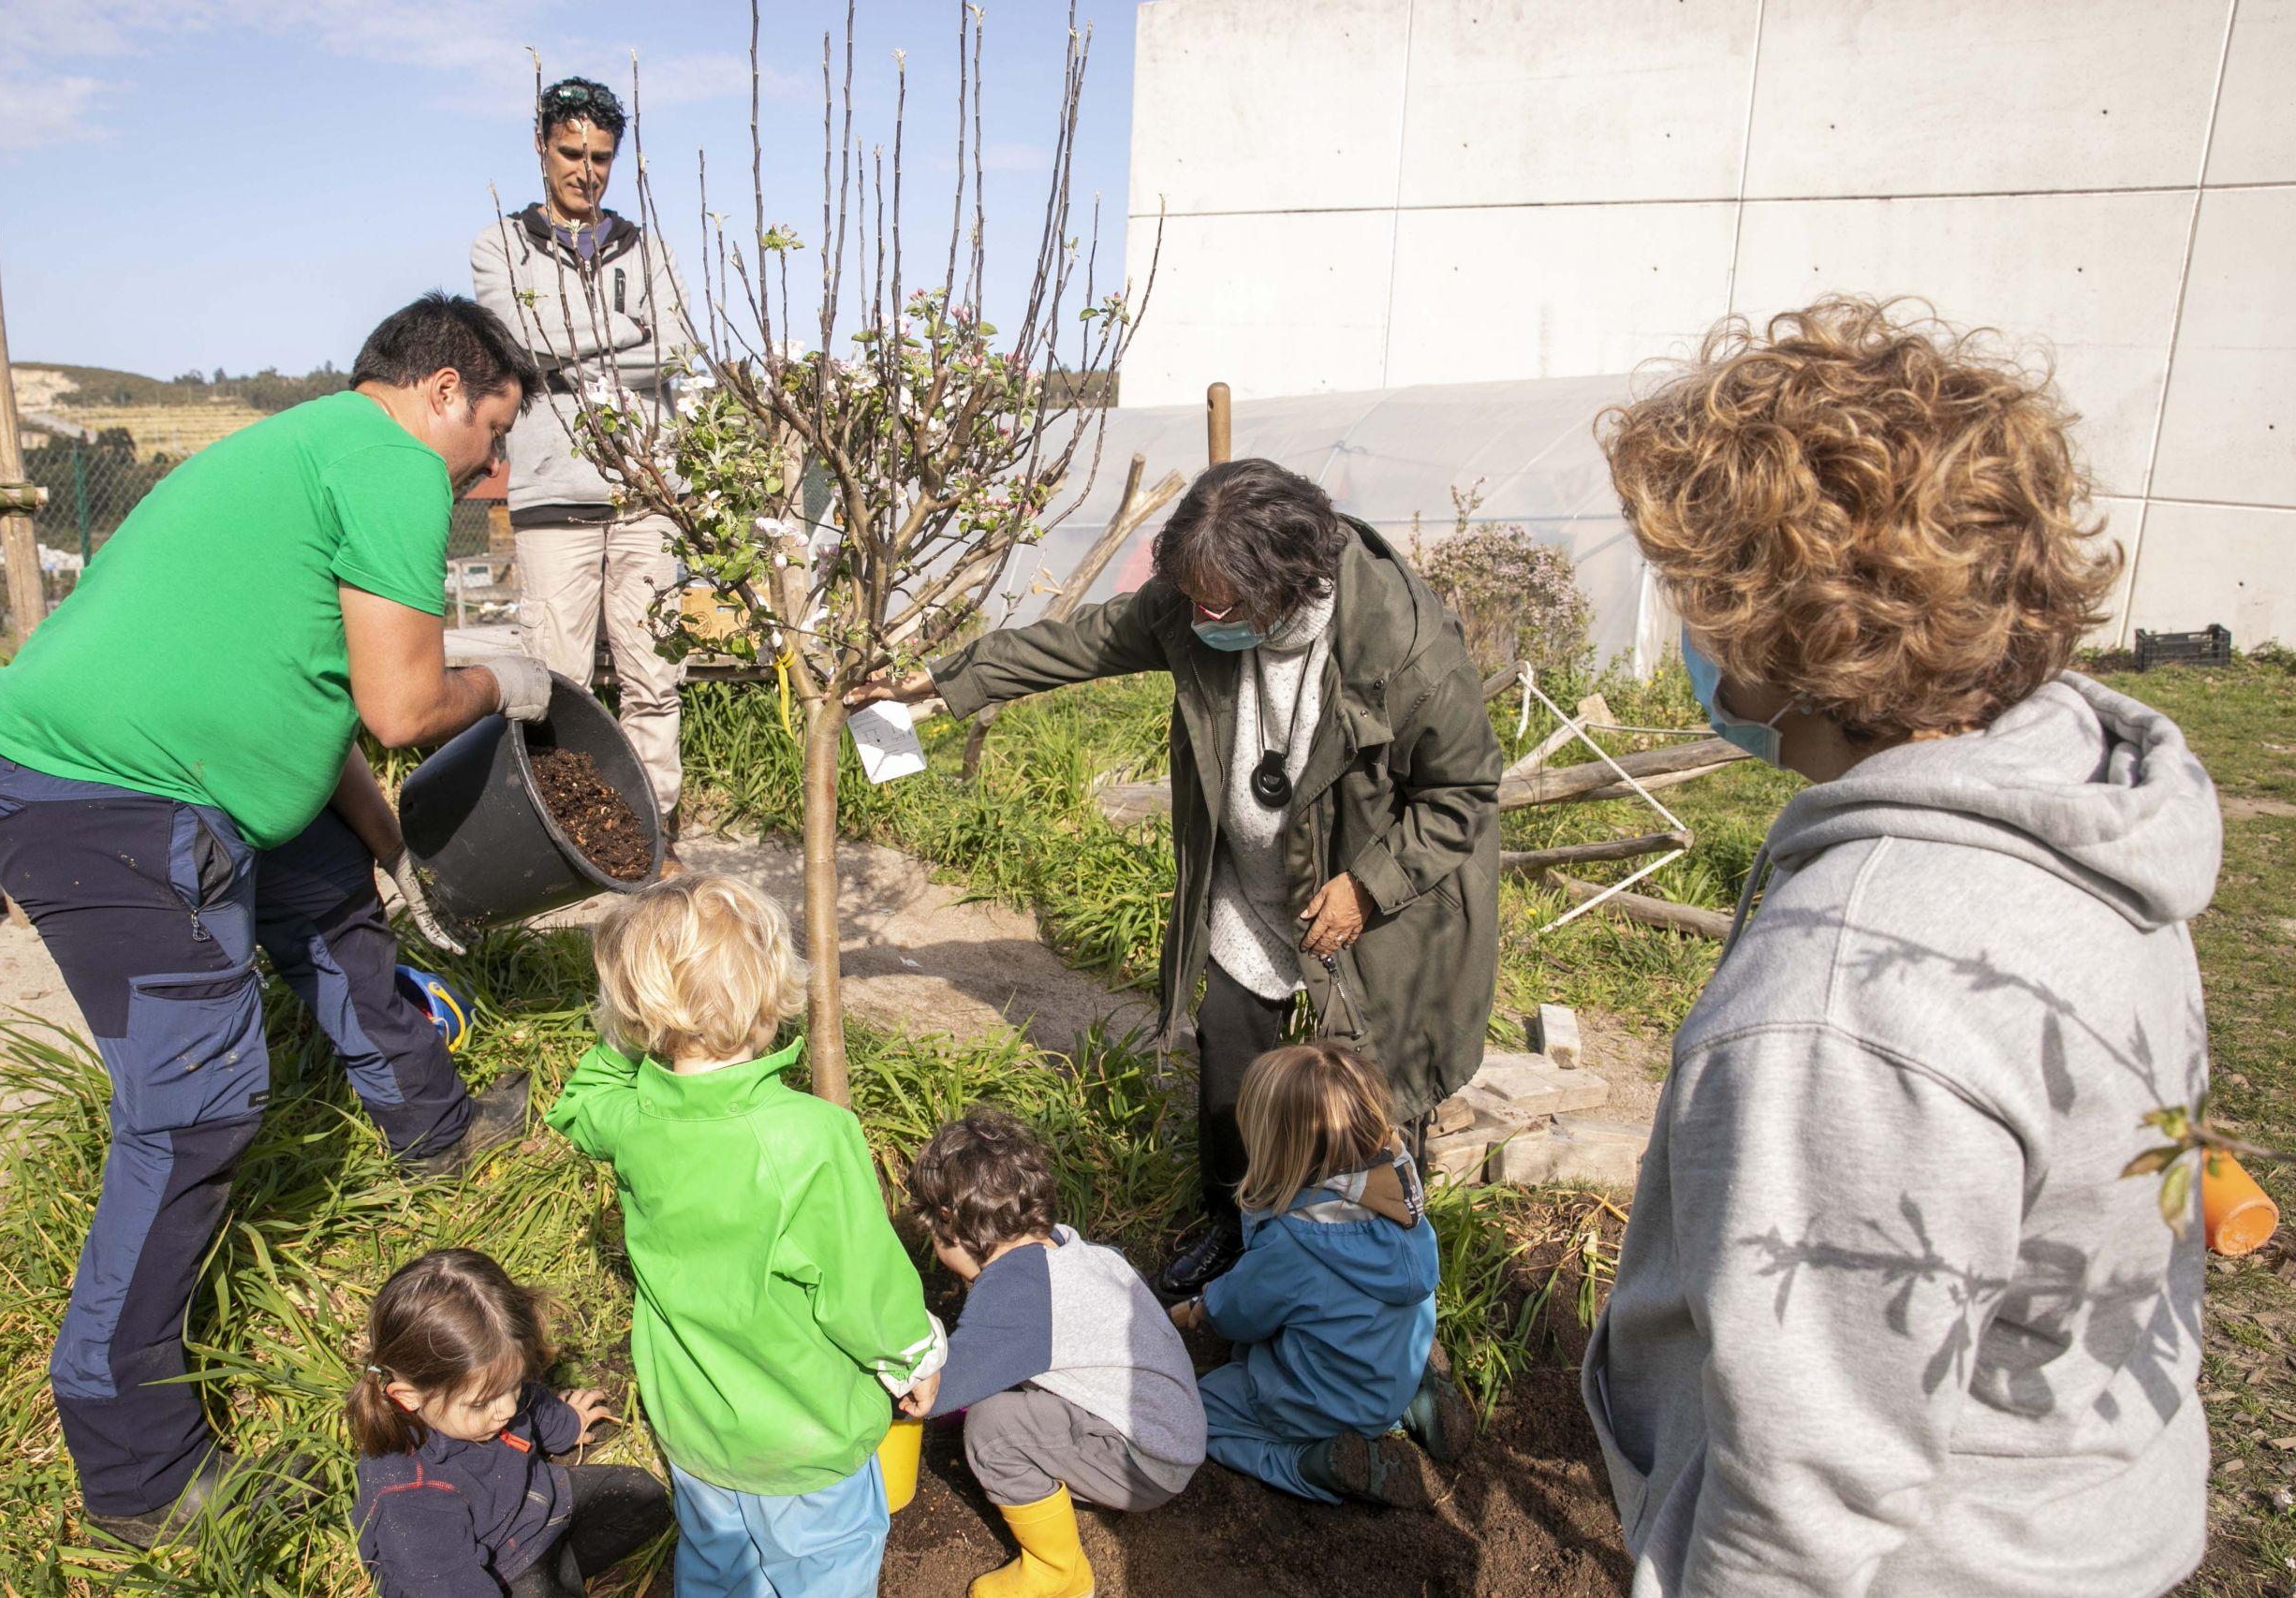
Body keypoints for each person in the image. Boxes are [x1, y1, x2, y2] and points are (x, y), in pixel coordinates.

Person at [1582, 298, 2218, 1596]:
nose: (1691, 628)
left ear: (1782, 631)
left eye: (1697, 593)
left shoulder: (1847, 995)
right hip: (2081, 1502)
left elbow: (1806, 1495)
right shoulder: (2091, 817)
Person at [0, 292, 556, 1545]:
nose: (489, 472)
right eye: (491, 433)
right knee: (195, 1114)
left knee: (326, 893)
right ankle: (139, 1471)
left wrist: (403, 861)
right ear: (446, 387)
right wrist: (506, 677)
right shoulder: (393, 461)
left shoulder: (305, 450)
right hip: (112, 806)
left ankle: (431, 1128)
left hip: (153, 779)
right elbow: (401, 709)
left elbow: (320, 718)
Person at [852, 459, 1504, 1298]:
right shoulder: (1201, 606)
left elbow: (1465, 792)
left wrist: (1367, 885)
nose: (1201, 616)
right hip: (1254, 883)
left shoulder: (1404, 647)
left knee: (1361, 1091)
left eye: (1220, 603)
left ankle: (1364, 1279)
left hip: (1377, 899)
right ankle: (1235, 1225)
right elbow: (1077, 642)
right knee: (1231, 1053)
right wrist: (936, 683)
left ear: (1289, 582)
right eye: (1191, 596)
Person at [545, 874, 948, 1597]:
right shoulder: (812, 1138)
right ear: (773, 991)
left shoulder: (636, 1118)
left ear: (642, 1011)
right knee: (825, 1569)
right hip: (804, 1439)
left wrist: (632, 1041)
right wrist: (913, 1356)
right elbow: (861, 1281)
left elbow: (579, 1103)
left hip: (695, 1425)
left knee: (718, 1562)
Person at [470, 76, 690, 854]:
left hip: (645, 493)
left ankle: (653, 823)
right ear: (540, 145)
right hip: (551, 494)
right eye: (570, 152)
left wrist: (569, 351)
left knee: (654, 673)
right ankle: (561, 828)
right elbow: (513, 347)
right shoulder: (498, 247)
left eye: (600, 156)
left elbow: (678, 348)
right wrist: (624, 332)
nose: (585, 170)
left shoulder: (649, 249)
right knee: (555, 681)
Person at [905, 1107, 1206, 1598]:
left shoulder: (1017, 1300)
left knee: (992, 1429)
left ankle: (1059, 1573)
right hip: (1171, 1425)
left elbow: (931, 1392)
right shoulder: (1069, 1249)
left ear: (949, 1226)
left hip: (1148, 1463)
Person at [1168, 1043, 1451, 1506]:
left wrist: (1206, 1307)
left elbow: (1242, 1314)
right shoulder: (1400, 1202)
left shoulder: (1294, 1240)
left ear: (1277, 1146)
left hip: (1321, 1402)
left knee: (1195, 1413)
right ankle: (1414, 1404)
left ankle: (1311, 1466)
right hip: (1391, 1371)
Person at [348, 1249, 671, 1598]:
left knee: (645, 1496)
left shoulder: (490, 1394)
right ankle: (548, 1580)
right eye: (482, 1402)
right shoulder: (413, 1499)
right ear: (409, 1396)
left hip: (535, 1503)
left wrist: (569, 1424)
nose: (506, 1409)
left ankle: (558, 1570)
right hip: (485, 1571)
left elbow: (533, 1405)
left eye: (513, 1385)